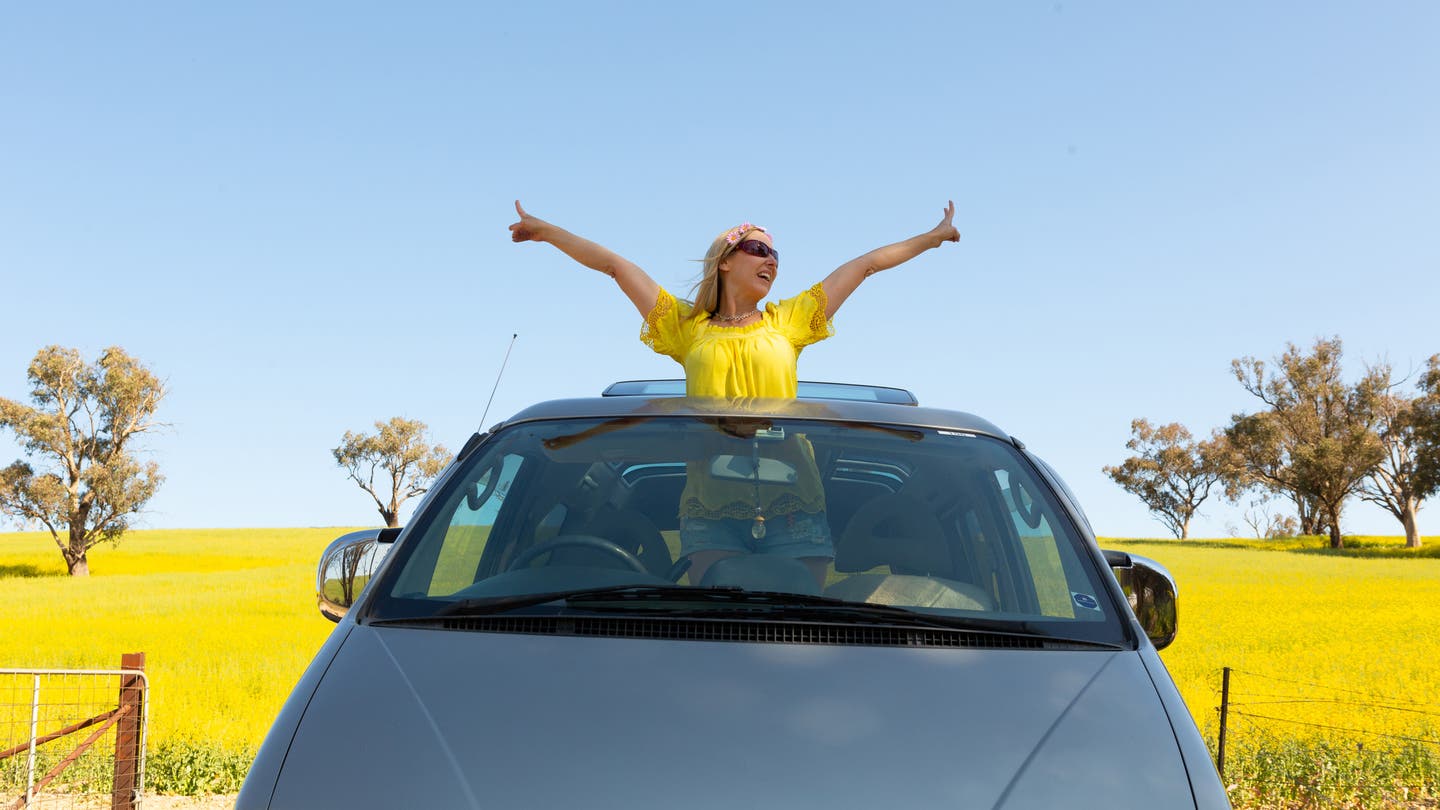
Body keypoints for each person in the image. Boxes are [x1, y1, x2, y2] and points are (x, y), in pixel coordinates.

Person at [509, 200, 959, 586]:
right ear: (725, 260)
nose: (772, 260)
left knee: (797, 634)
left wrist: (933, 237)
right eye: (759, 249)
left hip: (796, 508)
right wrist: (547, 232)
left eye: (776, 254)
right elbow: (616, 266)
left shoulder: (791, 321)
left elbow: (865, 266)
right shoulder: (687, 329)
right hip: (710, 513)